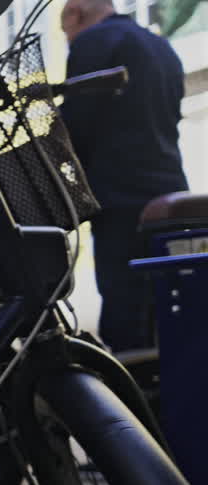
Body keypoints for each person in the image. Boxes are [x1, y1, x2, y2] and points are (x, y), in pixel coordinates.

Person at [60, 0, 188, 351]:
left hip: (121, 199)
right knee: (171, 306)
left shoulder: (92, 43)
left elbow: (74, 128)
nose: (68, 40)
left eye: (65, 32)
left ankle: (133, 399)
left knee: (126, 313)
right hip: (170, 193)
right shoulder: (160, 45)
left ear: (76, 14)